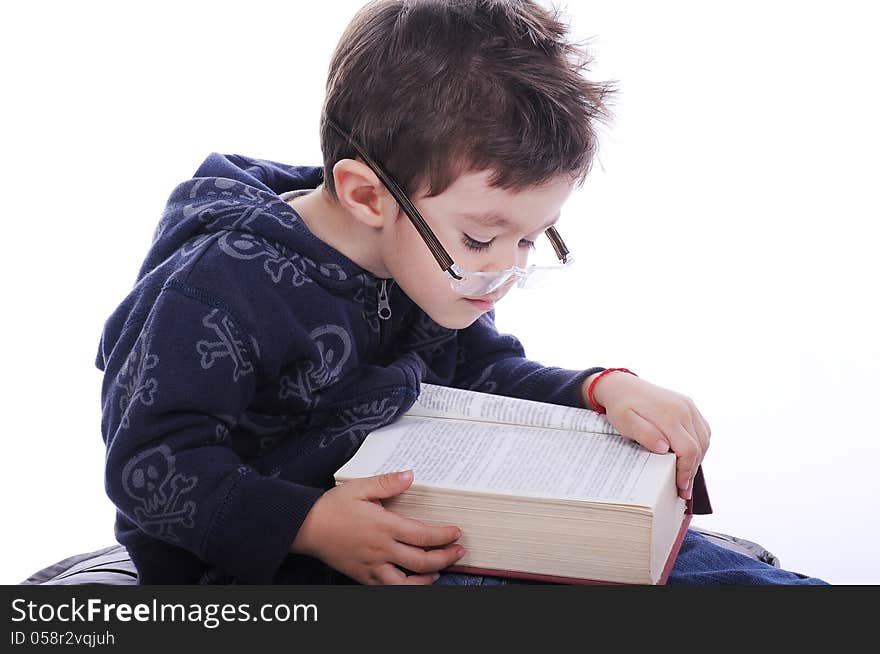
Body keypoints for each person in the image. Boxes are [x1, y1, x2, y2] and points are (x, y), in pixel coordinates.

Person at [97, 0, 826, 585]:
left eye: (532, 239)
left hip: (412, 513)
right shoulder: (215, 291)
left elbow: (479, 371)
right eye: (483, 239)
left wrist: (602, 389)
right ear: (367, 195)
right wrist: (312, 523)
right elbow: (149, 464)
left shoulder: (423, 263)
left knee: (706, 572)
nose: (506, 269)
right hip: (271, 558)